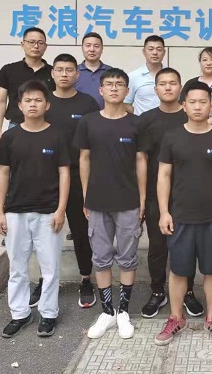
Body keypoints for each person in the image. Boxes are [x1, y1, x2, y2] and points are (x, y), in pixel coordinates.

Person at [153, 82, 212, 347]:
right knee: (178, 271)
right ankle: (176, 318)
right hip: (180, 217)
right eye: (192, 102)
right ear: (184, 106)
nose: (198, 107)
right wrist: (164, 212)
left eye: (203, 102)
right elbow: (164, 176)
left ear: (211, 106)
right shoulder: (172, 137)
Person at [74, 68, 147, 341]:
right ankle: (107, 312)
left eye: (119, 84)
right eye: (109, 84)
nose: (114, 88)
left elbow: (141, 161)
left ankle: (124, 311)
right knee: (101, 257)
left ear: (127, 91)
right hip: (97, 201)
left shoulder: (136, 123)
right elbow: (84, 159)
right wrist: (85, 196)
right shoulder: (88, 122)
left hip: (128, 200)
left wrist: (142, 198)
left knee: (128, 257)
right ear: (101, 90)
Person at [0, 80, 70, 339]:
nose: (33, 104)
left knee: (50, 268)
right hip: (16, 211)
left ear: (47, 105)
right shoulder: (10, 137)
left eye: (38, 100)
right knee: (17, 266)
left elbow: (64, 174)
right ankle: (20, 313)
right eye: (28, 100)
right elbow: (3, 174)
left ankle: (48, 314)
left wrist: (61, 209)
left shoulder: (57, 135)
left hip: (48, 211)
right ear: (19, 105)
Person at [138, 68, 204, 319]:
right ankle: (157, 291)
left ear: (180, 88)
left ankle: (188, 292)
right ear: (155, 89)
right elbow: (142, 160)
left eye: (173, 83)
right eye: (163, 83)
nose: (168, 87)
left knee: (188, 247)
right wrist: (142, 197)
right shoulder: (146, 120)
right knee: (157, 246)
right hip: (156, 194)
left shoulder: (191, 117)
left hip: (188, 194)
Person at [44, 53, 100, 309]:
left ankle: (85, 278)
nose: (64, 74)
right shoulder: (44, 102)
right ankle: (45, 281)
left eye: (69, 70)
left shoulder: (87, 103)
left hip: (79, 175)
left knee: (80, 229)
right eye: (60, 69)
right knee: (46, 231)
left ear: (78, 75)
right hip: (47, 175)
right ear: (52, 73)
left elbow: (95, 140)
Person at [0, 27, 55, 147]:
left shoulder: (53, 72)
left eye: (40, 43)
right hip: (16, 125)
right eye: (31, 42)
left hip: (46, 126)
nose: (36, 46)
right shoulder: (8, 70)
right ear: (22, 44)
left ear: (45, 46)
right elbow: (1, 101)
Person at [125, 35, 166, 115]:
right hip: (142, 122)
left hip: (167, 121)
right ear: (144, 51)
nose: (155, 53)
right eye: (151, 49)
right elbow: (126, 103)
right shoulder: (133, 76)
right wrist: (139, 116)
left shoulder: (171, 76)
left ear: (164, 52)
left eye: (159, 49)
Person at [74, 32, 112, 109]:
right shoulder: (73, 72)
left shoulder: (111, 72)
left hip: (105, 115)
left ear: (102, 49)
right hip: (79, 115)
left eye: (96, 46)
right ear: (82, 48)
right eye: (88, 45)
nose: (92, 49)